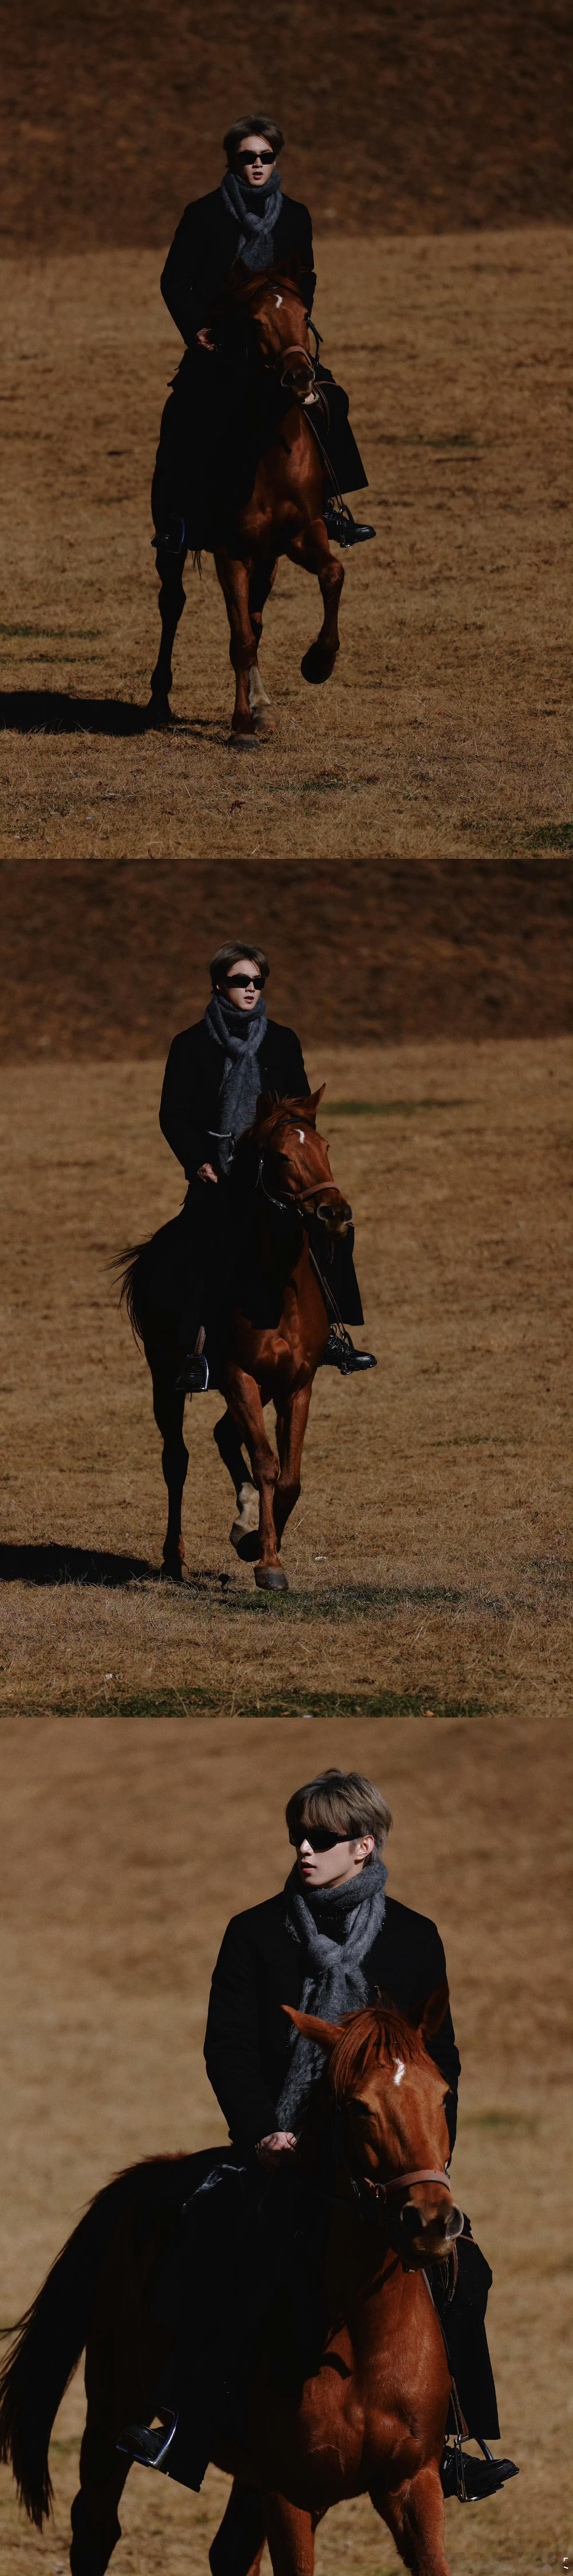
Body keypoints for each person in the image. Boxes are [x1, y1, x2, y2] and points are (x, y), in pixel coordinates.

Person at [121, 1768, 516, 2522]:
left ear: (364, 1845)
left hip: (381, 2165)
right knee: (214, 2244)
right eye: (297, 1835)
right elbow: (228, 2048)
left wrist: (427, 2162)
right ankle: (184, 2425)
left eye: (322, 1838)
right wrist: (260, 2132)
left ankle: (453, 2444)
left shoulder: (414, 1938)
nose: (303, 1848)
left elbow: (442, 2063)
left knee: (469, 2273)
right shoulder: (254, 1931)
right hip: (279, 2152)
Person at [152, 113, 375, 563]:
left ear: (276, 160)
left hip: (278, 345)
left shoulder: (296, 216)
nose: (258, 164)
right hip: (221, 347)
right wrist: (195, 329)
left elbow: (307, 276)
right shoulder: (202, 214)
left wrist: (292, 318)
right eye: (248, 157)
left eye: (266, 156)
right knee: (184, 415)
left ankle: (329, 509)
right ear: (232, 160)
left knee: (332, 400)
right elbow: (174, 280)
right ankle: (178, 520)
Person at [158, 938, 377, 1390]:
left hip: (275, 1176)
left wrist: (294, 1157)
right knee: (200, 1245)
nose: (251, 988)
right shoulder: (190, 1045)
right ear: (218, 984)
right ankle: (197, 1353)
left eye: (258, 981)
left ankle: (332, 1336)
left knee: (334, 1229)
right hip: (218, 1177)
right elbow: (173, 1115)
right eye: (241, 980)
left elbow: (301, 1110)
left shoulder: (282, 1041)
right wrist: (198, 1163)